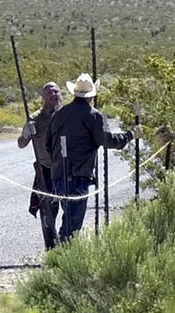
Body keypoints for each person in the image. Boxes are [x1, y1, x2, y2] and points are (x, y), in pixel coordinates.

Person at [44, 73, 135, 244]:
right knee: (72, 225)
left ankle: (61, 256)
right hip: (77, 176)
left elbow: (47, 144)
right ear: (92, 95)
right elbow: (106, 140)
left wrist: (58, 162)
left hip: (58, 175)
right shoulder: (93, 115)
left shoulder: (58, 114)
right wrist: (129, 136)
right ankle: (63, 259)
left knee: (68, 219)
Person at [17, 81, 61, 250]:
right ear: (43, 97)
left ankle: (67, 244)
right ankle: (51, 247)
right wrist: (26, 133)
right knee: (48, 212)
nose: (53, 95)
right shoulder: (35, 118)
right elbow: (21, 144)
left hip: (65, 169)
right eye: (49, 93)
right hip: (46, 170)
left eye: (56, 92)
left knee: (70, 209)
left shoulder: (65, 114)